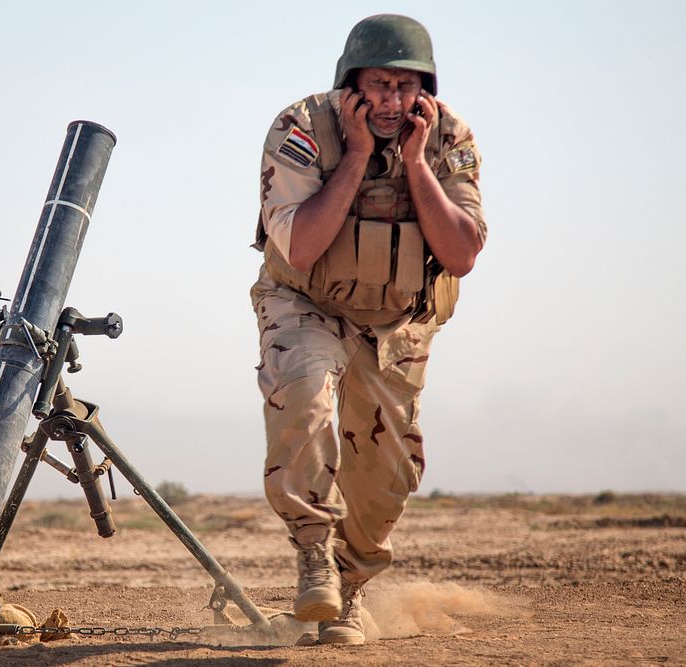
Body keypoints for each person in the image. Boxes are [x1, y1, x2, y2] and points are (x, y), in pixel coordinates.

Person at [251, 14, 485, 646]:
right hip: (307, 304)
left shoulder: (448, 136)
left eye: (407, 87)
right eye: (379, 85)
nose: (393, 101)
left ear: (425, 91)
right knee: (302, 396)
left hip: (398, 322)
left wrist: (415, 164)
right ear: (350, 85)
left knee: (387, 476)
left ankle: (350, 593)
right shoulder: (302, 128)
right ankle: (312, 559)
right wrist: (356, 155)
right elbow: (300, 247)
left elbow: (461, 254)